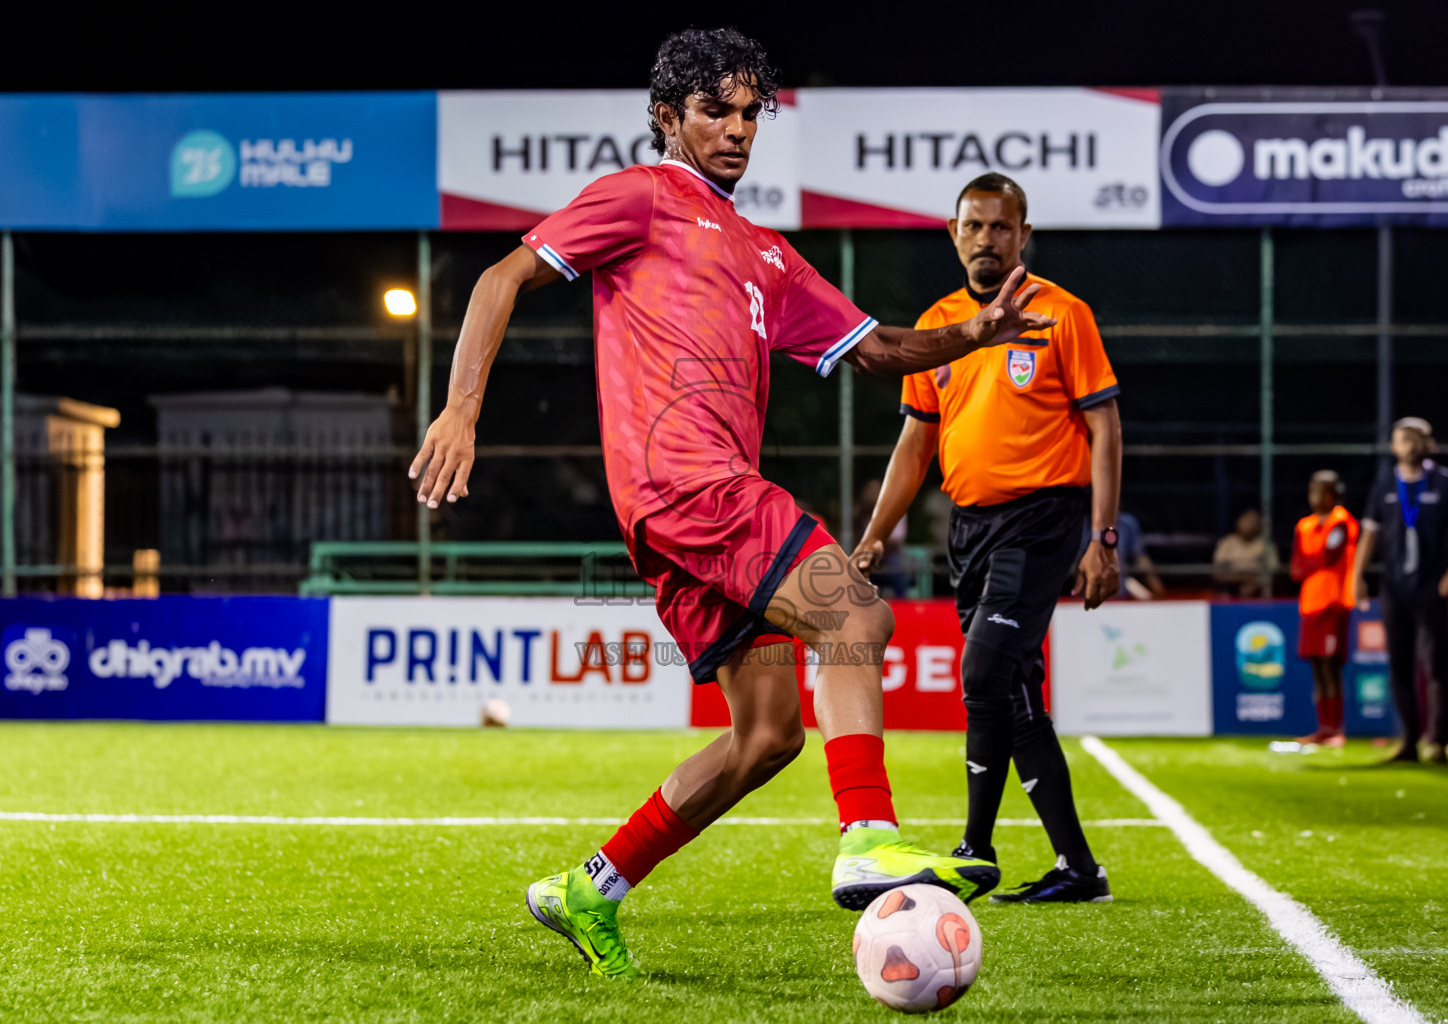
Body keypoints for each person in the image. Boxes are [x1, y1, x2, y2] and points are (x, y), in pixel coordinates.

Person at [409, 30, 1056, 978]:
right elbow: (501, 276)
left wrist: (973, 331)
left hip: (679, 513)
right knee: (854, 612)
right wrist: (462, 410)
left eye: (752, 112)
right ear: (670, 116)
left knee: (768, 735)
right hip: (687, 481)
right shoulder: (639, 195)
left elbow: (875, 350)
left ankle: (595, 886)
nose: (738, 129)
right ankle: (870, 833)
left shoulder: (766, 256)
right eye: (716, 109)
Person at [853, 172, 1120, 904]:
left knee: (980, 675)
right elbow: (914, 447)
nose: (986, 239)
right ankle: (1078, 870)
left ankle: (973, 849)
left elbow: (1105, 428)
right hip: (968, 530)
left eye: (1001, 227)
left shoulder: (1062, 314)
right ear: (953, 232)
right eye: (974, 226)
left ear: (1023, 235)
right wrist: (875, 537)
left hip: (1041, 521)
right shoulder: (939, 325)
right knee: (1016, 693)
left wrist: (1103, 536)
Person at [1351, 418, 1448, 764]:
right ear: (1394, 446)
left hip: (1432, 584)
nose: (1409, 445)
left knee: (1435, 664)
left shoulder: (1446, 481)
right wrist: (1357, 576)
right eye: (1403, 439)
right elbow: (1370, 532)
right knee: (1399, 664)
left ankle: (1436, 742)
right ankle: (1408, 740)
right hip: (1394, 586)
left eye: (1416, 439)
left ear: (1427, 443)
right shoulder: (1385, 483)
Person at [1290, 471, 1359, 746]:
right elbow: (1296, 568)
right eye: (1311, 490)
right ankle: (1322, 727)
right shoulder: (1304, 526)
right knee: (1317, 666)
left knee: (1331, 666)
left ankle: (1335, 728)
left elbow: (1326, 557)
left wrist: (1310, 562)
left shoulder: (1341, 522)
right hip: (1310, 604)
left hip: (1334, 602)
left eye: (1320, 490)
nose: (1314, 497)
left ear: (1332, 493)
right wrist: (1311, 562)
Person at [1079, 510, 1166, 600]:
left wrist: (1155, 583)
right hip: (1090, 595)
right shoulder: (1084, 523)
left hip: (1120, 594)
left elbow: (1140, 558)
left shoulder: (1127, 523)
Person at [1214, 509, 1278, 598]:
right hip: (1230, 586)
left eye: (1252, 521)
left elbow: (1273, 570)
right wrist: (1241, 577)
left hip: (1256, 588)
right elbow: (1218, 568)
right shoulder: (1229, 542)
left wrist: (1253, 581)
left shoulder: (1265, 544)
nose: (1248, 524)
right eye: (1245, 521)